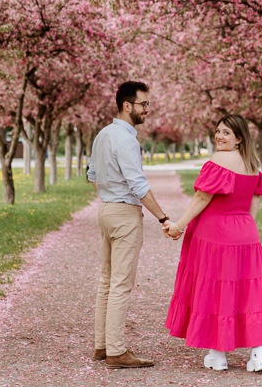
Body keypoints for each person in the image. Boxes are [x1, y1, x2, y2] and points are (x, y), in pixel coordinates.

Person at [163, 114, 262, 372]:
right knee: (249, 292)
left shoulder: (220, 160)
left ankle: (218, 354)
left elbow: (201, 197)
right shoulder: (255, 165)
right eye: (218, 131)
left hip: (215, 234)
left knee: (215, 290)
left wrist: (179, 225)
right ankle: (257, 353)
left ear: (239, 139)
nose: (219, 136)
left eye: (227, 133)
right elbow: (253, 207)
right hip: (245, 234)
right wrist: (243, 234)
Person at [87, 81, 173, 369]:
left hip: (106, 210)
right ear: (127, 105)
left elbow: (92, 175)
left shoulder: (103, 134)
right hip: (123, 214)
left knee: (106, 281)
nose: (147, 109)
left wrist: (110, 191)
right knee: (121, 284)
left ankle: (102, 345)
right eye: (143, 104)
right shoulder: (125, 138)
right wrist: (163, 217)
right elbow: (138, 185)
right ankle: (116, 351)